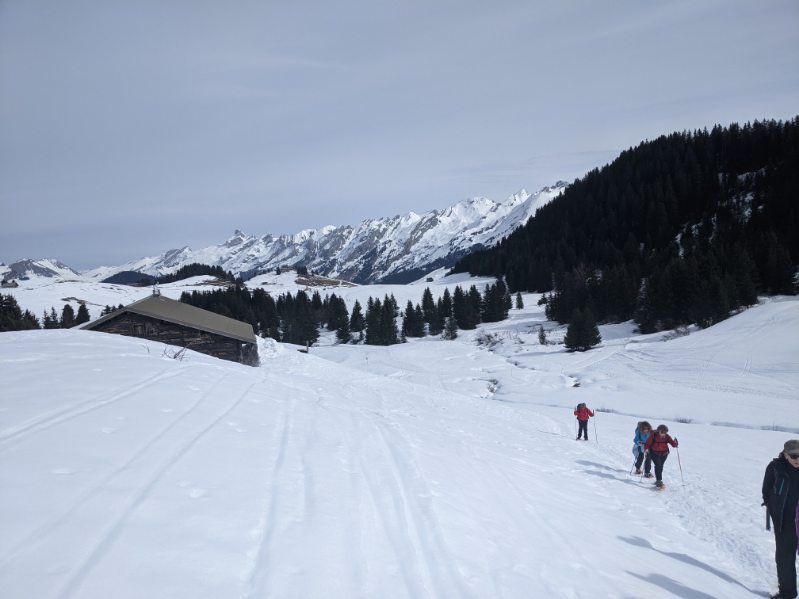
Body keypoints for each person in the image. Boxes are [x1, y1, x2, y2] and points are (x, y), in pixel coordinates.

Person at [762, 439, 799, 599]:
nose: (797, 459)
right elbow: (766, 490)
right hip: (785, 522)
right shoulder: (775, 468)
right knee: (785, 559)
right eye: (794, 456)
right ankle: (787, 593)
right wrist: (773, 510)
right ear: (785, 454)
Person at [644, 424, 678, 489]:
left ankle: (658, 480)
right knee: (658, 465)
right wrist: (646, 449)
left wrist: (675, 443)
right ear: (658, 431)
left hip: (664, 453)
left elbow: (673, 444)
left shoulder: (667, 436)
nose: (663, 434)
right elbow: (647, 444)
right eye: (662, 432)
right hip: (654, 453)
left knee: (661, 466)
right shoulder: (653, 435)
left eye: (665, 432)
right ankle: (659, 481)